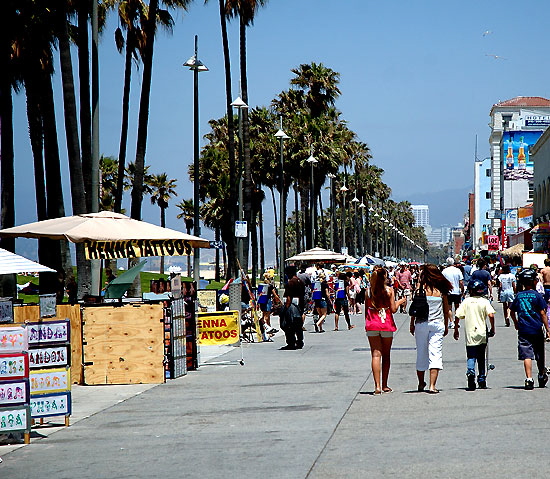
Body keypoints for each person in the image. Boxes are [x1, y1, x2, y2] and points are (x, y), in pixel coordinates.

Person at [409, 263, 452, 394]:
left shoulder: (419, 288)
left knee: (421, 353)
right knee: (435, 354)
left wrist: (412, 323)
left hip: (421, 323)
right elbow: (446, 310)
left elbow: (415, 308)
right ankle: (432, 386)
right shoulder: (441, 290)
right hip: (437, 324)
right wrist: (446, 326)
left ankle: (421, 383)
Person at [365, 267, 406, 394]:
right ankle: (384, 385)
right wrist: (401, 301)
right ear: (384, 278)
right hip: (386, 324)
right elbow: (393, 309)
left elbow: (367, 309)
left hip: (372, 323)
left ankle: (376, 386)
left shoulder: (368, 292)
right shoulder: (389, 291)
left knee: (375, 354)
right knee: (386, 355)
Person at [510, 268, 550, 389]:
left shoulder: (519, 296)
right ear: (533, 281)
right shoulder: (537, 296)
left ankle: (529, 378)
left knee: (527, 355)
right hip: (536, 329)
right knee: (539, 354)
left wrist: (516, 323)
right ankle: (542, 374)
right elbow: (543, 313)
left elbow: (512, 311)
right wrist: (548, 329)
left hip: (523, 330)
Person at [454, 279, 496, 390]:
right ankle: (482, 379)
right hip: (482, 333)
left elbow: (457, 315)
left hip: (470, 334)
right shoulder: (484, 301)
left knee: (471, 356)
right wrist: (493, 328)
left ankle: (470, 372)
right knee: (481, 357)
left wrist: (456, 329)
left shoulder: (466, 302)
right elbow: (491, 315)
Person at [281, 265, 305, 350]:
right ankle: (300, 341)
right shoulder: (300, 281)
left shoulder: (290, 283)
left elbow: (289, 297)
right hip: (300, 306)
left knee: (287, 325)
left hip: (292, 307)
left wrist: (285, 309)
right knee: (298, 325)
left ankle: (291, 342)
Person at [442, 257, 464, 329]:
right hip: (457, 291)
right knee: (457, 307)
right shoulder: (458, 270)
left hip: (448, 292)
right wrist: (462, 290)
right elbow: (461, 282)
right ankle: (456, 321)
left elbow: (442, 282)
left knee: (449, 308)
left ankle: (451, 322)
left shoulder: (444, 271)